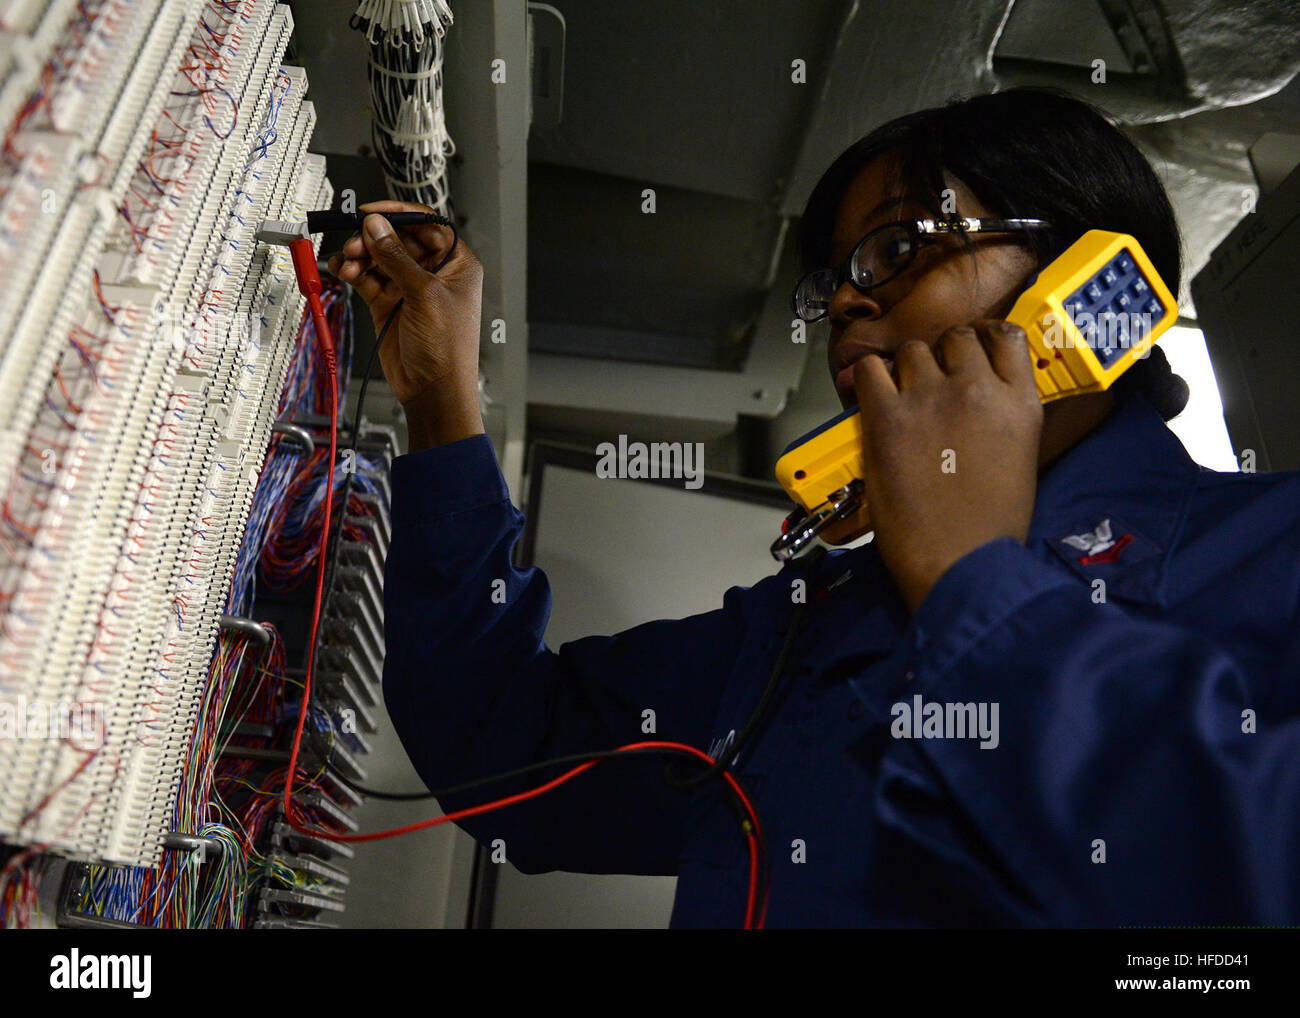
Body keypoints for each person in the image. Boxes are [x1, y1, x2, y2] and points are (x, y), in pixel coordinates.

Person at [327, 88, 1300, 928]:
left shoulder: (1269, 557)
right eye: (839, 274)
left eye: (897, 246)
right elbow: (513, 755)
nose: (842, 301)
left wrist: (974, 581)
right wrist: (442, 402)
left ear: (1093, 292)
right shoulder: (816, 623)